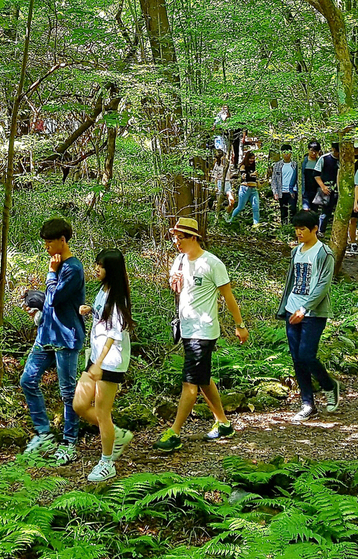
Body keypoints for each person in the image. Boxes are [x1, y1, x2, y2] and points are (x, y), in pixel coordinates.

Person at [154, 218, 250, 452]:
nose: (177, 242)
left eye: (181, 238)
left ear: (194, 237)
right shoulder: (179, 260)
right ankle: (224, 423)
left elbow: (228, 296)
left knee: (190, 383)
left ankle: (175, 432)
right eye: (175, 238)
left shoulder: (212, 263)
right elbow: (177, 287)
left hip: (203, 331)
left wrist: (240, 324)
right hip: (187, 329)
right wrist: (173, 282)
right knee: (203, 379)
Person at [20, 218, 86, 465]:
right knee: (28, 380)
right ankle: (44, 433)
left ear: (63, 240)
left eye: (49, 242)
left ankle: (70, 443)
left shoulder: (72, 268)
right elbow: (49, 301)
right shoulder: (60, 267)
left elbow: (56, 297)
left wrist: (50, 272)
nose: (46, 247)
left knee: (68, 393)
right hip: (46, 335)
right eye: (44, 243)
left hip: (67, 338)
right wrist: (38, 314)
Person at [73, 249, 134, 482]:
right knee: (79, 404)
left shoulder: (118, 297)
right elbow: (103, 319)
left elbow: (114, 335)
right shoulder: (103, 290)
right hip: (97, 357)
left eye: (101, 266)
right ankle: (116, 434)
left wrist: (98, 364)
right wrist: (91, 310)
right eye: (96, 264)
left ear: (112, 271)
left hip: (109, 362)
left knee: (102, 412)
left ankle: (107, 462)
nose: (96, 269)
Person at [276, 211, 341, 421]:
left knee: (306, 355)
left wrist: (304, 309)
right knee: (296, 358)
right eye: (296, 229)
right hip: (292, 309)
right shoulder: (296, 252)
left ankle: (330, 385)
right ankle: (307, 403)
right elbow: (291, 280)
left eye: (303, 229)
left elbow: (323, 285)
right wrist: (287, 307)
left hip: (313, 313)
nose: (299, 233)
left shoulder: (324, 253)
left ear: (315, 229)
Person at [225, 151, 261, 228]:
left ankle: (256, 225)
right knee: (240, 207)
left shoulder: (254, 167)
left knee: (256, 207)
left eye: (253, 158)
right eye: (250, 158)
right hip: (245, 189)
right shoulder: (243, 166)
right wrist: (252, 174)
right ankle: (231, 219)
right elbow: (244, 177)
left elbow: (256, 178)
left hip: (254, 189)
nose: (252, 160)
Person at [313, 142, 340, 236]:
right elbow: (316, 175)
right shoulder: (324, 158)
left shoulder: (345, 159)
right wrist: (323, 187)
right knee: (325, 211)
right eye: (336, 151)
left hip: (341, 190)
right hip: (327, 189)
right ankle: (321, 231)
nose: (338, 154)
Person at [270, 144, 299, 225]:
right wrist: (275, 192)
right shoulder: (277, 165)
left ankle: (293, 227)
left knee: (293, 210)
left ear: (291, 153)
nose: (286, 154)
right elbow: (274, 179)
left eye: (288, 152)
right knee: (283, 211)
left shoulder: (295, 165)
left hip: (293, 191)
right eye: (284, 152)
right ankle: (284, 228)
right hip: (281, 191)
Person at [301, 141, 322, 211]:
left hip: (316, 191)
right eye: (312, 151)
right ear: (308, 150)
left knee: (314, 211)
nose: (313, 153)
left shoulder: (319, 162)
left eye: (316, 151)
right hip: (305, 191)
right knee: (305, 209)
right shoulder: (303, 162)